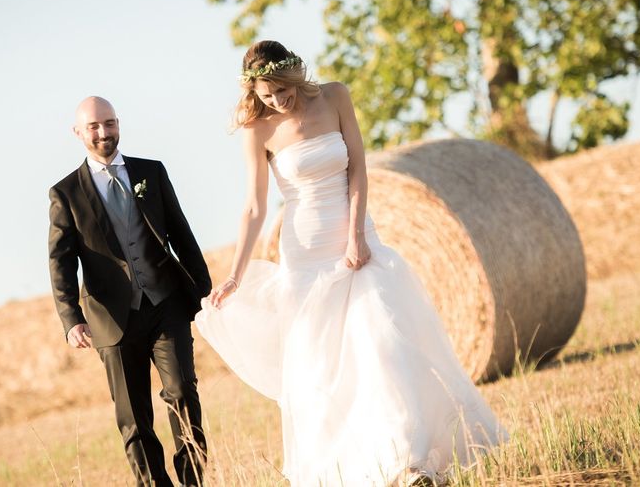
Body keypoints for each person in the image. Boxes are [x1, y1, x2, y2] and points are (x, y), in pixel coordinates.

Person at [195, 41, 507, 486]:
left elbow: (358, 167)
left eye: (281, 90)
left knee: (385, 344)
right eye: (266, 96)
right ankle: (356, 469)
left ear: (294, 76)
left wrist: (357, 235)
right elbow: (254, 208)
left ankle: (412, 460)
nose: (277, 101)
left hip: (356, 239)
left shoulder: (335, 97)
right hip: (304, 256)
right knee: (323, 369)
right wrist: (234, 275)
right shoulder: (257, 130)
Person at [48, 96, 212, 487]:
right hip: (112, 321)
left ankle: (194, 482)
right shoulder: (65, 193)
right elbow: (60, 261)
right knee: (133, 419)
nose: (103, 133)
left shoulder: (150, 172)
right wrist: (72, 319)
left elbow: (180, 234)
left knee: (183, 393)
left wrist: (203, 292)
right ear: (77, 132)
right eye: (94, 127)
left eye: (109, 123)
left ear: (118, 123)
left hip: (165, 304)